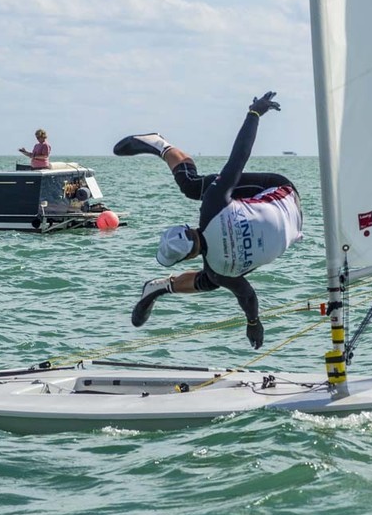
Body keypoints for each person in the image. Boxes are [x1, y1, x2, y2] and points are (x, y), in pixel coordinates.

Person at [113, 91, 302, 350]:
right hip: (281, 193)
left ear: (188, 258)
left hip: (290, 217)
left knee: (216, 277)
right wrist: (254, 113)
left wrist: (254, 323)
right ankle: (159, 144)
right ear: (189, 230)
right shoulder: (213, 207)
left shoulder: (218, 268)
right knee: (193, 190)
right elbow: (239, 157)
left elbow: (247, 295)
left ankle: (159, 145)